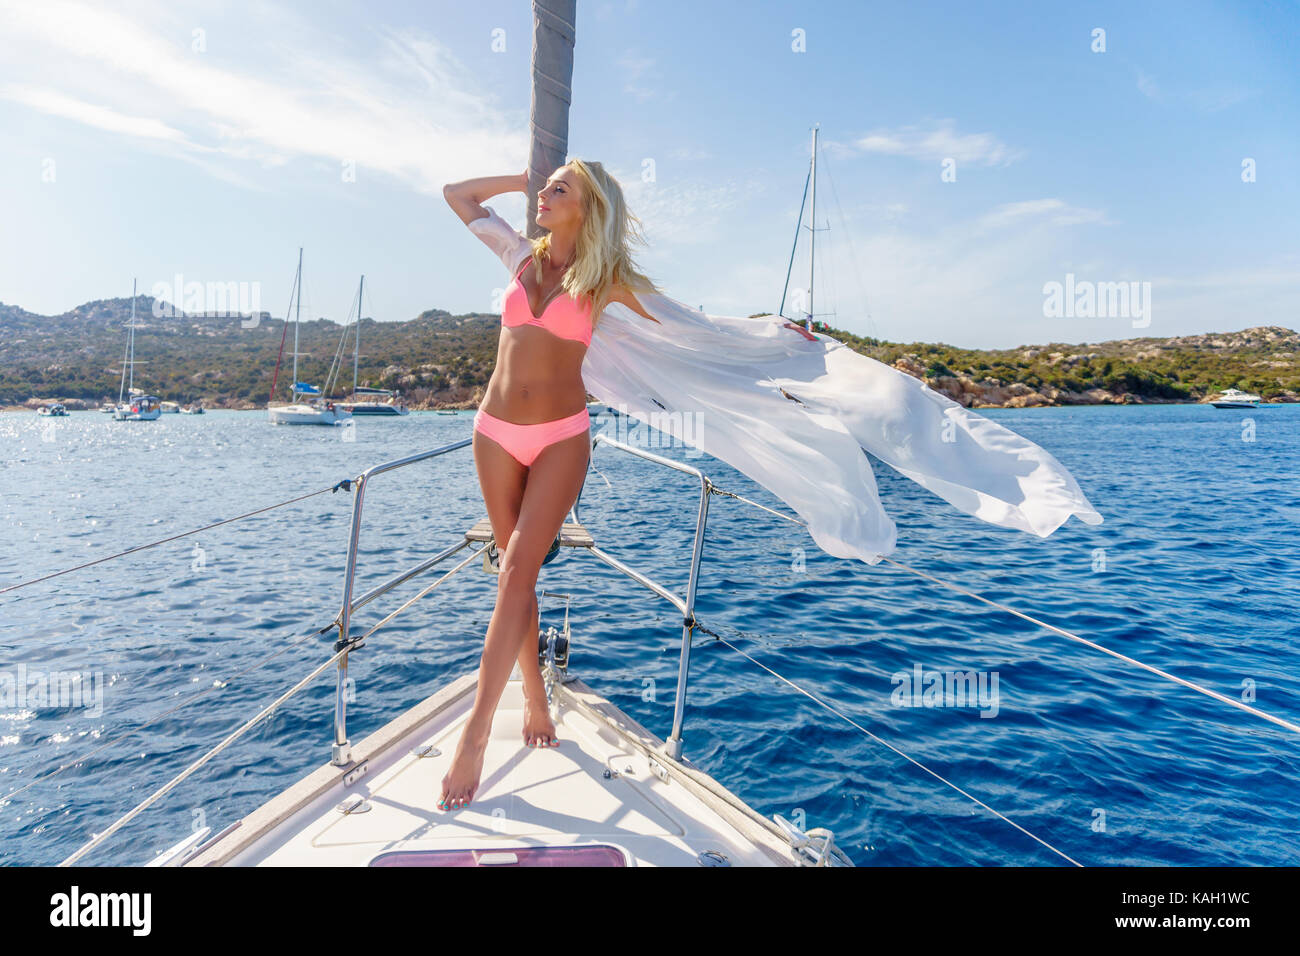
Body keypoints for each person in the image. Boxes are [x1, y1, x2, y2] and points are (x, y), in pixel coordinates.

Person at [440, 161, 661, 811]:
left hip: (561, 436)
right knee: (517, 574)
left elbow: (684, 330)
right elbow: (456, 196)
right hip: (494, 432)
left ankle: (475, 735)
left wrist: (767, 348)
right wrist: (526, 174)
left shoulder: (606, 281)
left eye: (558, 188)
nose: (544, 194)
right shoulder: (516, 255)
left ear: (589, 208)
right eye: (546, 185)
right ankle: (533, 695)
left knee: (515, 573)